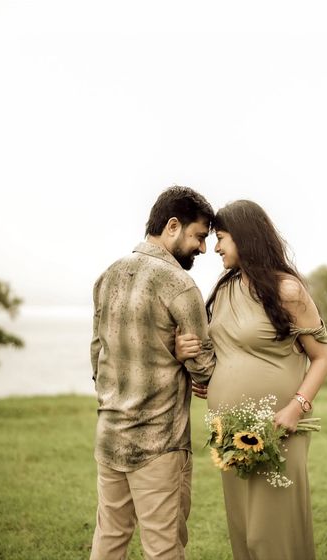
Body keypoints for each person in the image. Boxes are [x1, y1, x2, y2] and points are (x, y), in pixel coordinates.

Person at [176, 199, 327, 560]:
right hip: (229, 433)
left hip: (279, 427)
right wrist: (205, 372)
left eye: (221, 238)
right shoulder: (225, 288)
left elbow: (323, 357)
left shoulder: (287, 290)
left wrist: (298, 407)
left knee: (271, 532)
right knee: (244, 530)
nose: (214, 247)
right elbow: (226, 349)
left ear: (244, 238)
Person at [89, 186, 216, 560]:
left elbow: (97, 356)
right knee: (163, 549)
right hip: (159, 445)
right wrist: (181, 357)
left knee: (109, 539)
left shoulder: (107, 276)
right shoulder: (180, 285)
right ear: (173, 226)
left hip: (109, 435)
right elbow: (205, 369)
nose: (203, 248)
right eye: (199, 236)